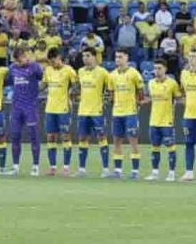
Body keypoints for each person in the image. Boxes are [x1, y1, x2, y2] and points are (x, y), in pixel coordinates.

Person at [107, 49, 145, 179]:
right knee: (117, 141)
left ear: (127, 58)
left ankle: (135, 171)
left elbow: (141, 92)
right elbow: (112, 94)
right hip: (117, 112)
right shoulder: (111, 75)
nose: (118, 59)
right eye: (116, 57)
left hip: (130, 112)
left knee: (133, 141)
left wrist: (137, 104)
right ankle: (118, 170)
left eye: (120, 57)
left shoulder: (134, 73)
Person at [5, 46, 44, 175]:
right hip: (16, 107)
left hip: (30, 106)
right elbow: (9, 82)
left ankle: (35, 166)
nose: (19, 61)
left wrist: (32, 63)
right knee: (15, 136)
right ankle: (15, 167)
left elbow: (42, 77)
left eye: (21, 57)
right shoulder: (12, 68)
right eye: (17, 59)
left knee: (34, 136)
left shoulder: (35, 67)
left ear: (26, 55)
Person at [41, 49, 76, 177]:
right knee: (51, 137)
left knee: (65, 136)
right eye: (50, 62)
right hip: (50, 108)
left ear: (59, 57)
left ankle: (66, 167)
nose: (52, 64)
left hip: (63, 108)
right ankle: (52, 167)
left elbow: (76, 86)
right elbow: (43, 85)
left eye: (53, 61)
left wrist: (73, 92)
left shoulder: (69, 70)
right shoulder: (48, 70)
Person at [75, 50, 109, 178]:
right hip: (83, 110)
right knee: (83, 138)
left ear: (95, 57)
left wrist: (107, 99)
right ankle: (82, 169)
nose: (85, 58)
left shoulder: (103, 72)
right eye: (83, 55)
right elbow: (78, 88)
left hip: (97, 111)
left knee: (101, 137)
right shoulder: (80, 72)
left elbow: (110, 88)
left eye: (88, 55)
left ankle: (105, 169)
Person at [146, 61, 182, 181]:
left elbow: (178, 98)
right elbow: (149, 98)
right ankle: (155, 172)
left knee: (170, 147)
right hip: (153, 121)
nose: (157, 71)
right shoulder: (151, 83)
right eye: (155, 68)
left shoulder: (172, 84)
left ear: (165, 69)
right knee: (155, 147)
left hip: (167, 121)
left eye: (159, 68)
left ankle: (171, 173)